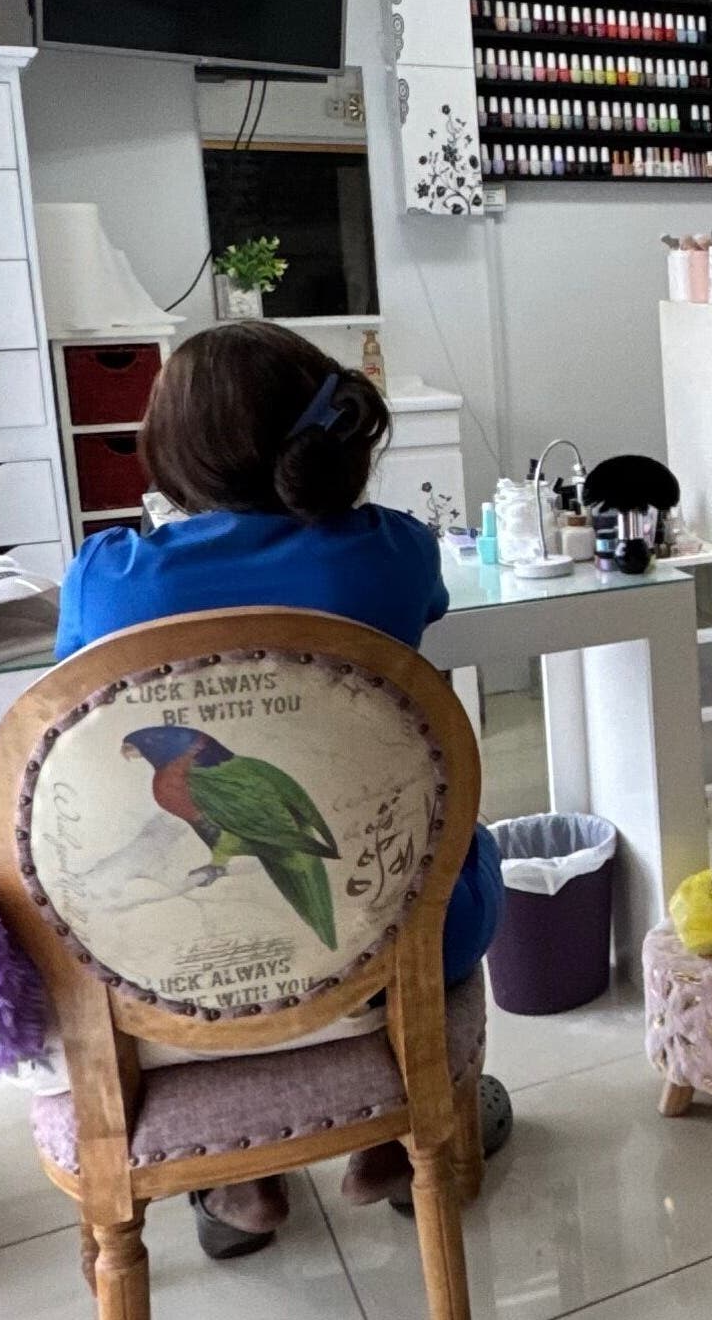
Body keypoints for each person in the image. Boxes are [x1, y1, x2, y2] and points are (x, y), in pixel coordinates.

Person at [54, 319, 507, 1260]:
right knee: (465, 847)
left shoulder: (106, 579)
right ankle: (395, 1133)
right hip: (389, 954)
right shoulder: (389, 553)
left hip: (169, 976)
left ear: (172, 453)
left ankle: (236, 1173)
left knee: (191, 913)